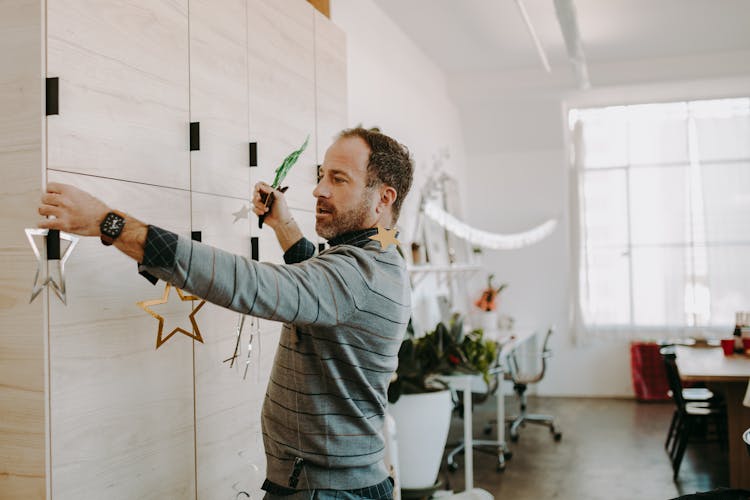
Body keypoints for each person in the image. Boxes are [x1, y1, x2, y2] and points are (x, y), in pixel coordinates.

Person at [37, 127, 414, 500]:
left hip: (326, 490)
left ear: (383, 197)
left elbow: (253, 284)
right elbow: (319, 283)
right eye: (321, 175)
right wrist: (282, 224)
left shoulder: (359, 275)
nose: (319, 189)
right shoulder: (382, 252)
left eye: (338, 178)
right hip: (331, 483)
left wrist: (110, 223)